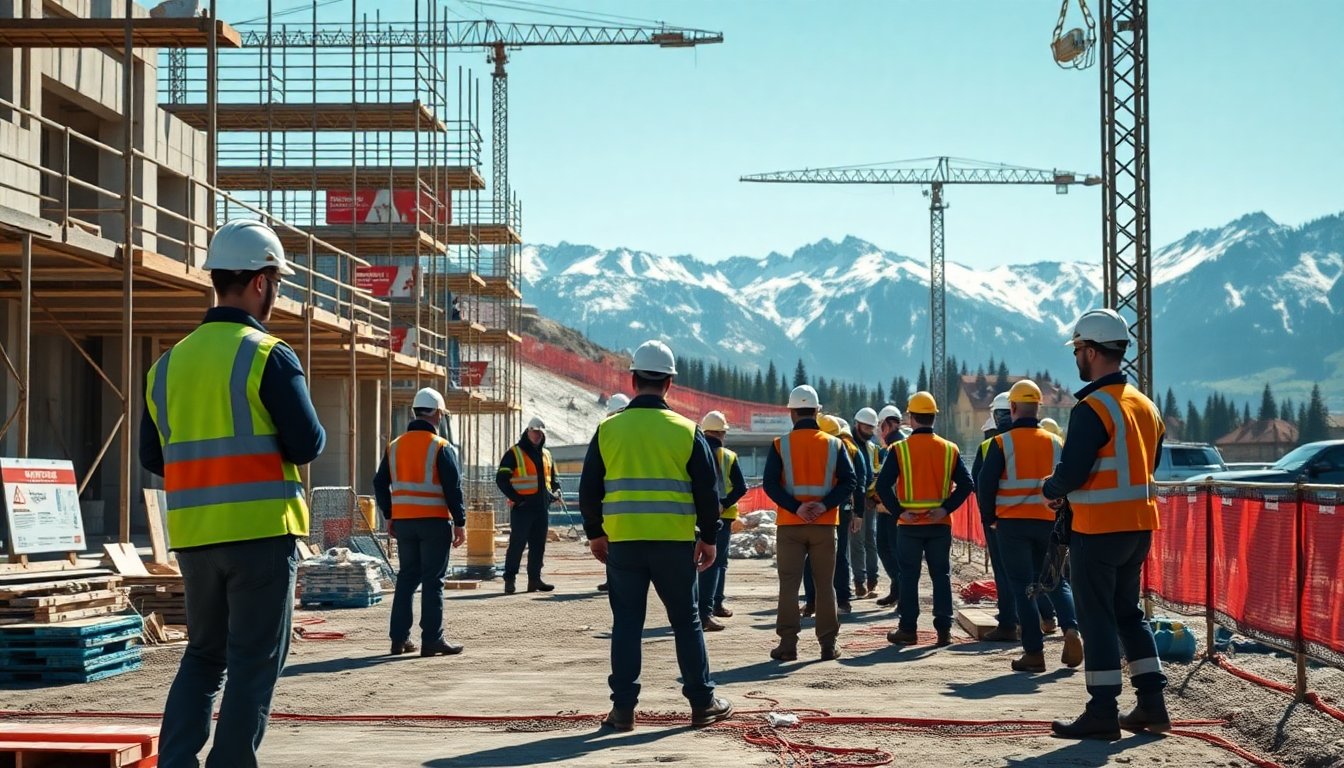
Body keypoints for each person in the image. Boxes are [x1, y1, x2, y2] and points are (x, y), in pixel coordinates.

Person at [141, 219, 326, 768]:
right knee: (252, 662)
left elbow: (155, 457)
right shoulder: (267, 354)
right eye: (278, 282)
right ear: (262, 282)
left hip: (197, 539)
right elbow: (307, 442)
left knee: (202, 656)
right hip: (263, 536)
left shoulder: (166, 365)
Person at [578, 340, 732, 731]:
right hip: (674, 545)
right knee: (686, 621)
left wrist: (596, 534)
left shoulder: (608, 430)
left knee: (627, 624)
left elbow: (588, 489)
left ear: (633, 379)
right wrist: (710, 537)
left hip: (623, 545)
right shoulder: (686, 431)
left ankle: (623, 711)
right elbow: (708, 492)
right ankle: (702, 702)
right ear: (670, 384)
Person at [1044, 308, 1169, 740]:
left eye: (1078, 349)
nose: (1076, 357)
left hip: (1098, 529)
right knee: (1127, 614)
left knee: (1096, 617)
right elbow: (1147, 465)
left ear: (1093, 351)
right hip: (1139, 527)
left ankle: (1102, 711)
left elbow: (1073, 471)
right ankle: (1152, 704)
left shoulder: (1091, 408)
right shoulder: (1145, 406)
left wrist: (1051, 487)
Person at [976, 379, 1083, 673]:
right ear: (1039, 408)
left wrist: (990, 518)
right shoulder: (1055, 442)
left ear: (1012, 408)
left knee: (1023, 586)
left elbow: (986, 484)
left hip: (1012, 525)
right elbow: (1070, 480)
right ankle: (1071, 630)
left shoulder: (1000, 443)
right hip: (1049, 522)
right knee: (1056, 581)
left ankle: (1034, 654)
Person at [762, 385, 858, 661]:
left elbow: (770, 484)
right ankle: (828, 645)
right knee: (825, 584)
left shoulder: (780, 445)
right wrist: (824, 505)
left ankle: (788, 645)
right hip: (825, 525)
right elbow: (849, 481)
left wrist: (796, 507)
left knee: (789, 585)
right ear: (817, 412)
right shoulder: (835, 444)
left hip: (790, 525)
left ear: (791, 412)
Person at [373, 387, 467, 657]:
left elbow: (380, 483)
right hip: (434, 522)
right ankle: (432, 640)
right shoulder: (440, 447)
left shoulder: (394, 446)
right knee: (433, 581)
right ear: (437, 414)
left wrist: (389, 515)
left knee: (406, 579)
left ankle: (399, 639)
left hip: (404, 524)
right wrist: (460, 522)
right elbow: (453, 488)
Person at [876, 391, 973, 647]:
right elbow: (966, 484)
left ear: (911, 418)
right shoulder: (949, 449)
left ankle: (908, 629)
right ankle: (943, 630)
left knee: (909, 576)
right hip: (939, 525)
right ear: (933, 418)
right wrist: (945, 509)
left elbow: (882, 487)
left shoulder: (899, 450)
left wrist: (899, 512)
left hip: (909, 526)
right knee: (941, 575)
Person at [973, 393, 1059, 640]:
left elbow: (981, 483)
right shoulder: (1049, 440)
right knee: (1045, 575)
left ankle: (1014, 627)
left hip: (1007, 521)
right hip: (1046, 519)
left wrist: (989, 518)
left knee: (1012, 576)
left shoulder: (994, 444)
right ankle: (1057, 620)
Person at [801, 415, 867, 616]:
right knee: (839, 555)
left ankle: (813, 601)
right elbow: (859, 483)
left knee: (811, 556)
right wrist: (859, 513)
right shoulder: (852, 450)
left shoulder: (819, 448)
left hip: (817, 510)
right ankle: (843, 601)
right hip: (840, 508)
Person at [496, 416, 561, 593]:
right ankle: (510, 579)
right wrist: (517, 498)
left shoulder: (546, 454)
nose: (538, 435)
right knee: (517, 544)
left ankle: (534, 579)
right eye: (535, 431)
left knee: (538, 545)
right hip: (523, 509)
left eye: (540, 432)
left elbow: (553, 479)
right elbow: (501, 479)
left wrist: (556, 492)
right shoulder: (514, 453)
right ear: (528, 431)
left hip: (541, 508)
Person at [697, 410, 747, 630]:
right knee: (717, 563)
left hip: (695, 517)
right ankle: (711, 607)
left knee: (699, 562)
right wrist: (724, 503)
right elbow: (741, 487)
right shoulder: (728, 456)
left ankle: (705, 607)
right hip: (723, 517)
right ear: (722, 433)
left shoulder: (693, 453)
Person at [595, 393, 630, 593]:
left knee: (614, 544)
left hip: (613, 503)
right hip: (626, 503)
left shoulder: (606, 431)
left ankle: (614, 580)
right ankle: (613, 580)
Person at [873, 404, 906, 607]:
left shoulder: (899, 446)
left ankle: (901, 589)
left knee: (893, 550)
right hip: (885, 507)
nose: (879, 431)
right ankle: (897, 587)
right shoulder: (886, 449)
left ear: (890, 425)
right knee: (883, 547)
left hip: (894, 507)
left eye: (881, 426)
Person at [848, 407, 883, 600]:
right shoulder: (848, 446)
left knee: (871, 539)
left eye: (872, 428)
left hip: (868, 501)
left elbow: (876, 474)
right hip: (853, 500)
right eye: (866, 427)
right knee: (856, 541)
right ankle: (859, 581)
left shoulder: (872, 449)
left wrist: (873, 497)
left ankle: (872, 580)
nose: (869, 431)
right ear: (857, 424)